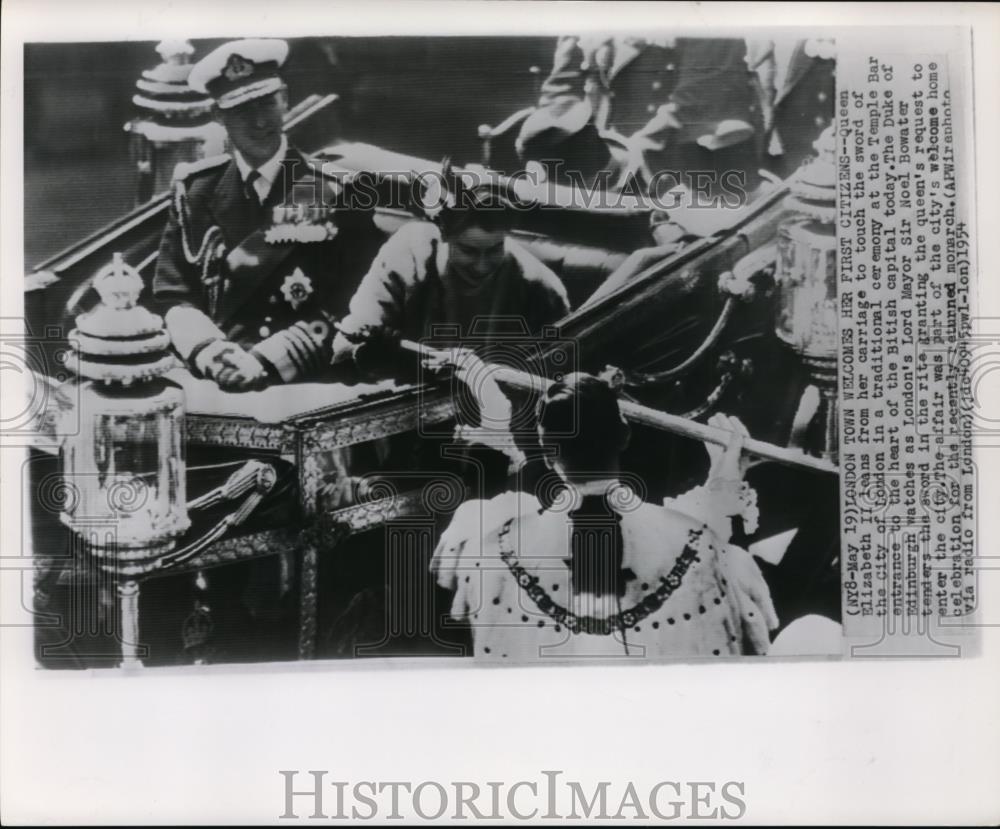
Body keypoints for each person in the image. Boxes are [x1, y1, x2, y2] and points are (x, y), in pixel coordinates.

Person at [431, 363, 777, 660]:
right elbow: (704, 521)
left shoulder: (490, 544)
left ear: (547, 450)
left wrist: (495, 414)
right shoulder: (698, 543)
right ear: (625, 435)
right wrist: (726, 472)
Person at [152, 38, 383, 390]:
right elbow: (174, 295)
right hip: (217, 380)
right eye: (242, 110)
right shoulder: (196, 190)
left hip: (306, 385)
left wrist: (264, 362)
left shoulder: (344, 191)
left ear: (285, 99)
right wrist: (209, 352)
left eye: (266, 103)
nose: (260, 122)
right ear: (218, 116)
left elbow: (358, 304)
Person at [332, 165, 571, 377]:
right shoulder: (408, 255)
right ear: (444, 234)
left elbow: (560, 370)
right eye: (468, 251)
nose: (482, 265)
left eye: (495, 249)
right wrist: (367, 355)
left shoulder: (538, 287)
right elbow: (345, 344)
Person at [516, 36, 762, 197]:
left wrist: (623, 168)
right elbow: (561, 89)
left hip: (684, 177)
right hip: (599, 165)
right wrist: (555, 148)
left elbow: (695, 102)